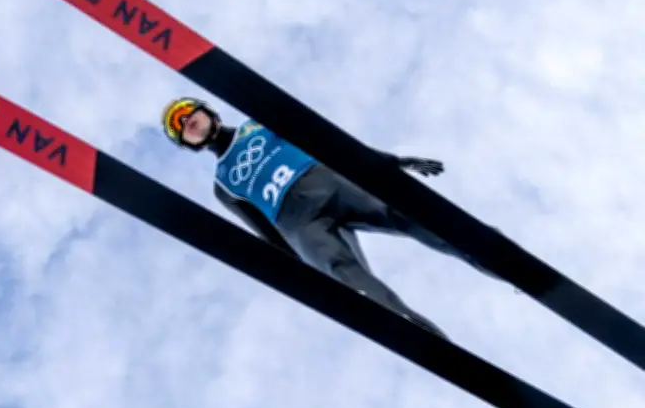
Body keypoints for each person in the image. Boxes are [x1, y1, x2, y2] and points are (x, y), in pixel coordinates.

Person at [161, 97, 497, 339]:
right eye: (179, 129)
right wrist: (299, 269)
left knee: (405, 215)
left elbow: (329, 142)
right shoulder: (223, 186)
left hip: (329, 184)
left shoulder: (258, 121)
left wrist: (394, 162)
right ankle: (422, 336)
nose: (185, 122)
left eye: (187, 113)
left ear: (206, 111)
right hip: (301, 225)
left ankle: (493, 258)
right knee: (350, 281)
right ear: (187, 144)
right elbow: (268, 235)